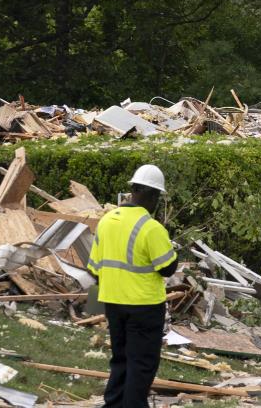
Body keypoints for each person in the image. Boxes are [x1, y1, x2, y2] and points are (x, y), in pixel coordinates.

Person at [87, 164, 178, 408]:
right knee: (142, 364)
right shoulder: (151, 228)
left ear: (133, 190)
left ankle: (113, 404)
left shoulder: (107, 221)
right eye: (157, 196)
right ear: (151, 194)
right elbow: (168, 268)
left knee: (120, 359)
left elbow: (94, 269)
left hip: (113, 303)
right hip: (144, 306)